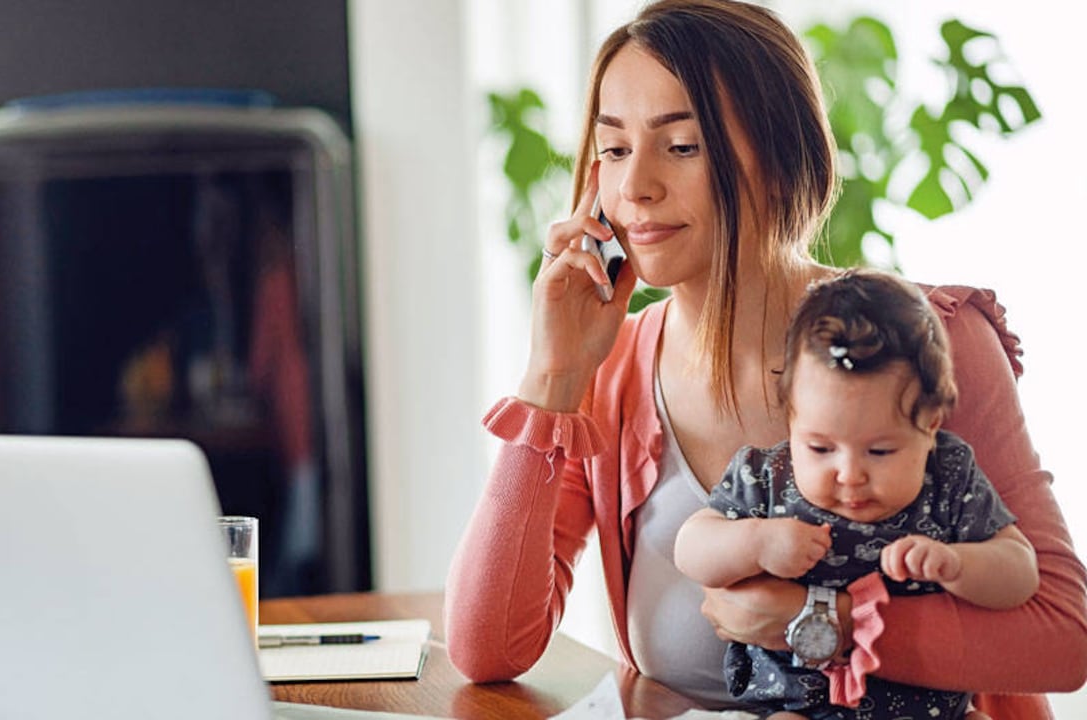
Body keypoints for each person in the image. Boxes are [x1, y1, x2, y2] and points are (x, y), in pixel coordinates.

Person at [442, 1, 1087, 717]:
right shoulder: (615, 372)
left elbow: (1063, 636)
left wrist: (823, 624)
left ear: (779, 160)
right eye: (615, 149)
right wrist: (552, 377)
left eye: (681, 146)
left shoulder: (927, 339)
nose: (635, 189)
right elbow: (486, 648)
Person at [673, 270, 1039, 718]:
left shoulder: (947, 476)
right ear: (791, 419)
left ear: (931, 429)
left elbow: (1020, 574)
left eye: (880, 451)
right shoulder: (765, 478)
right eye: (820, 448)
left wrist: (960, 565)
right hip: (799, 708)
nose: (849, 474)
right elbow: (691, 548)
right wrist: (756, 542)